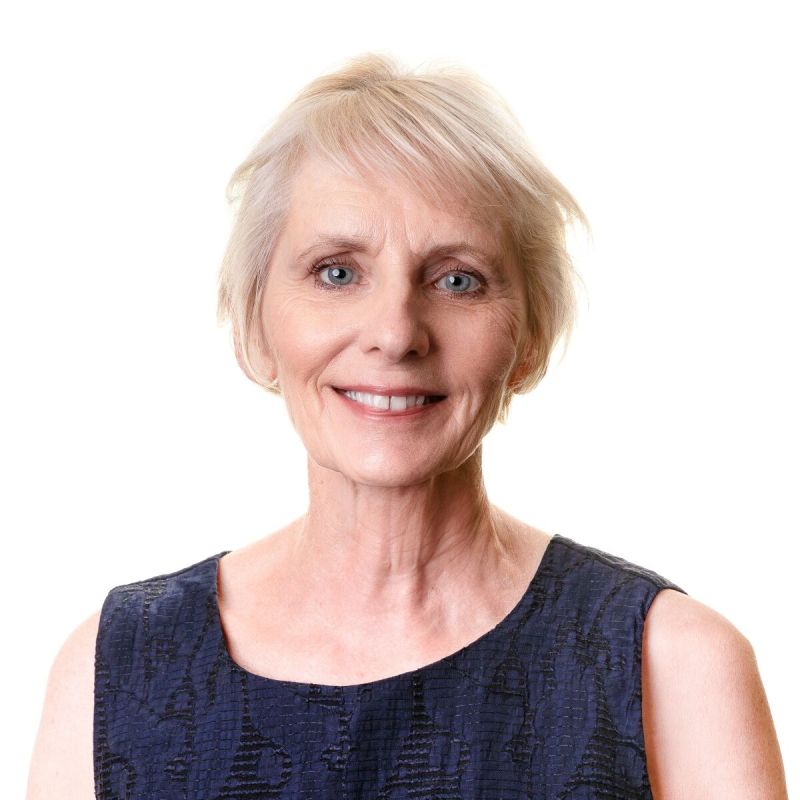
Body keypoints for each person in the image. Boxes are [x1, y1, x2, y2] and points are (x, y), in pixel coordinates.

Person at [27, 53, 788, 799]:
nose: (395, 333)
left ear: (530, 338)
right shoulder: (113, 669)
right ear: (253, 325)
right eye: (336, 272)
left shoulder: (673, 669)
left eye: (457, 279)